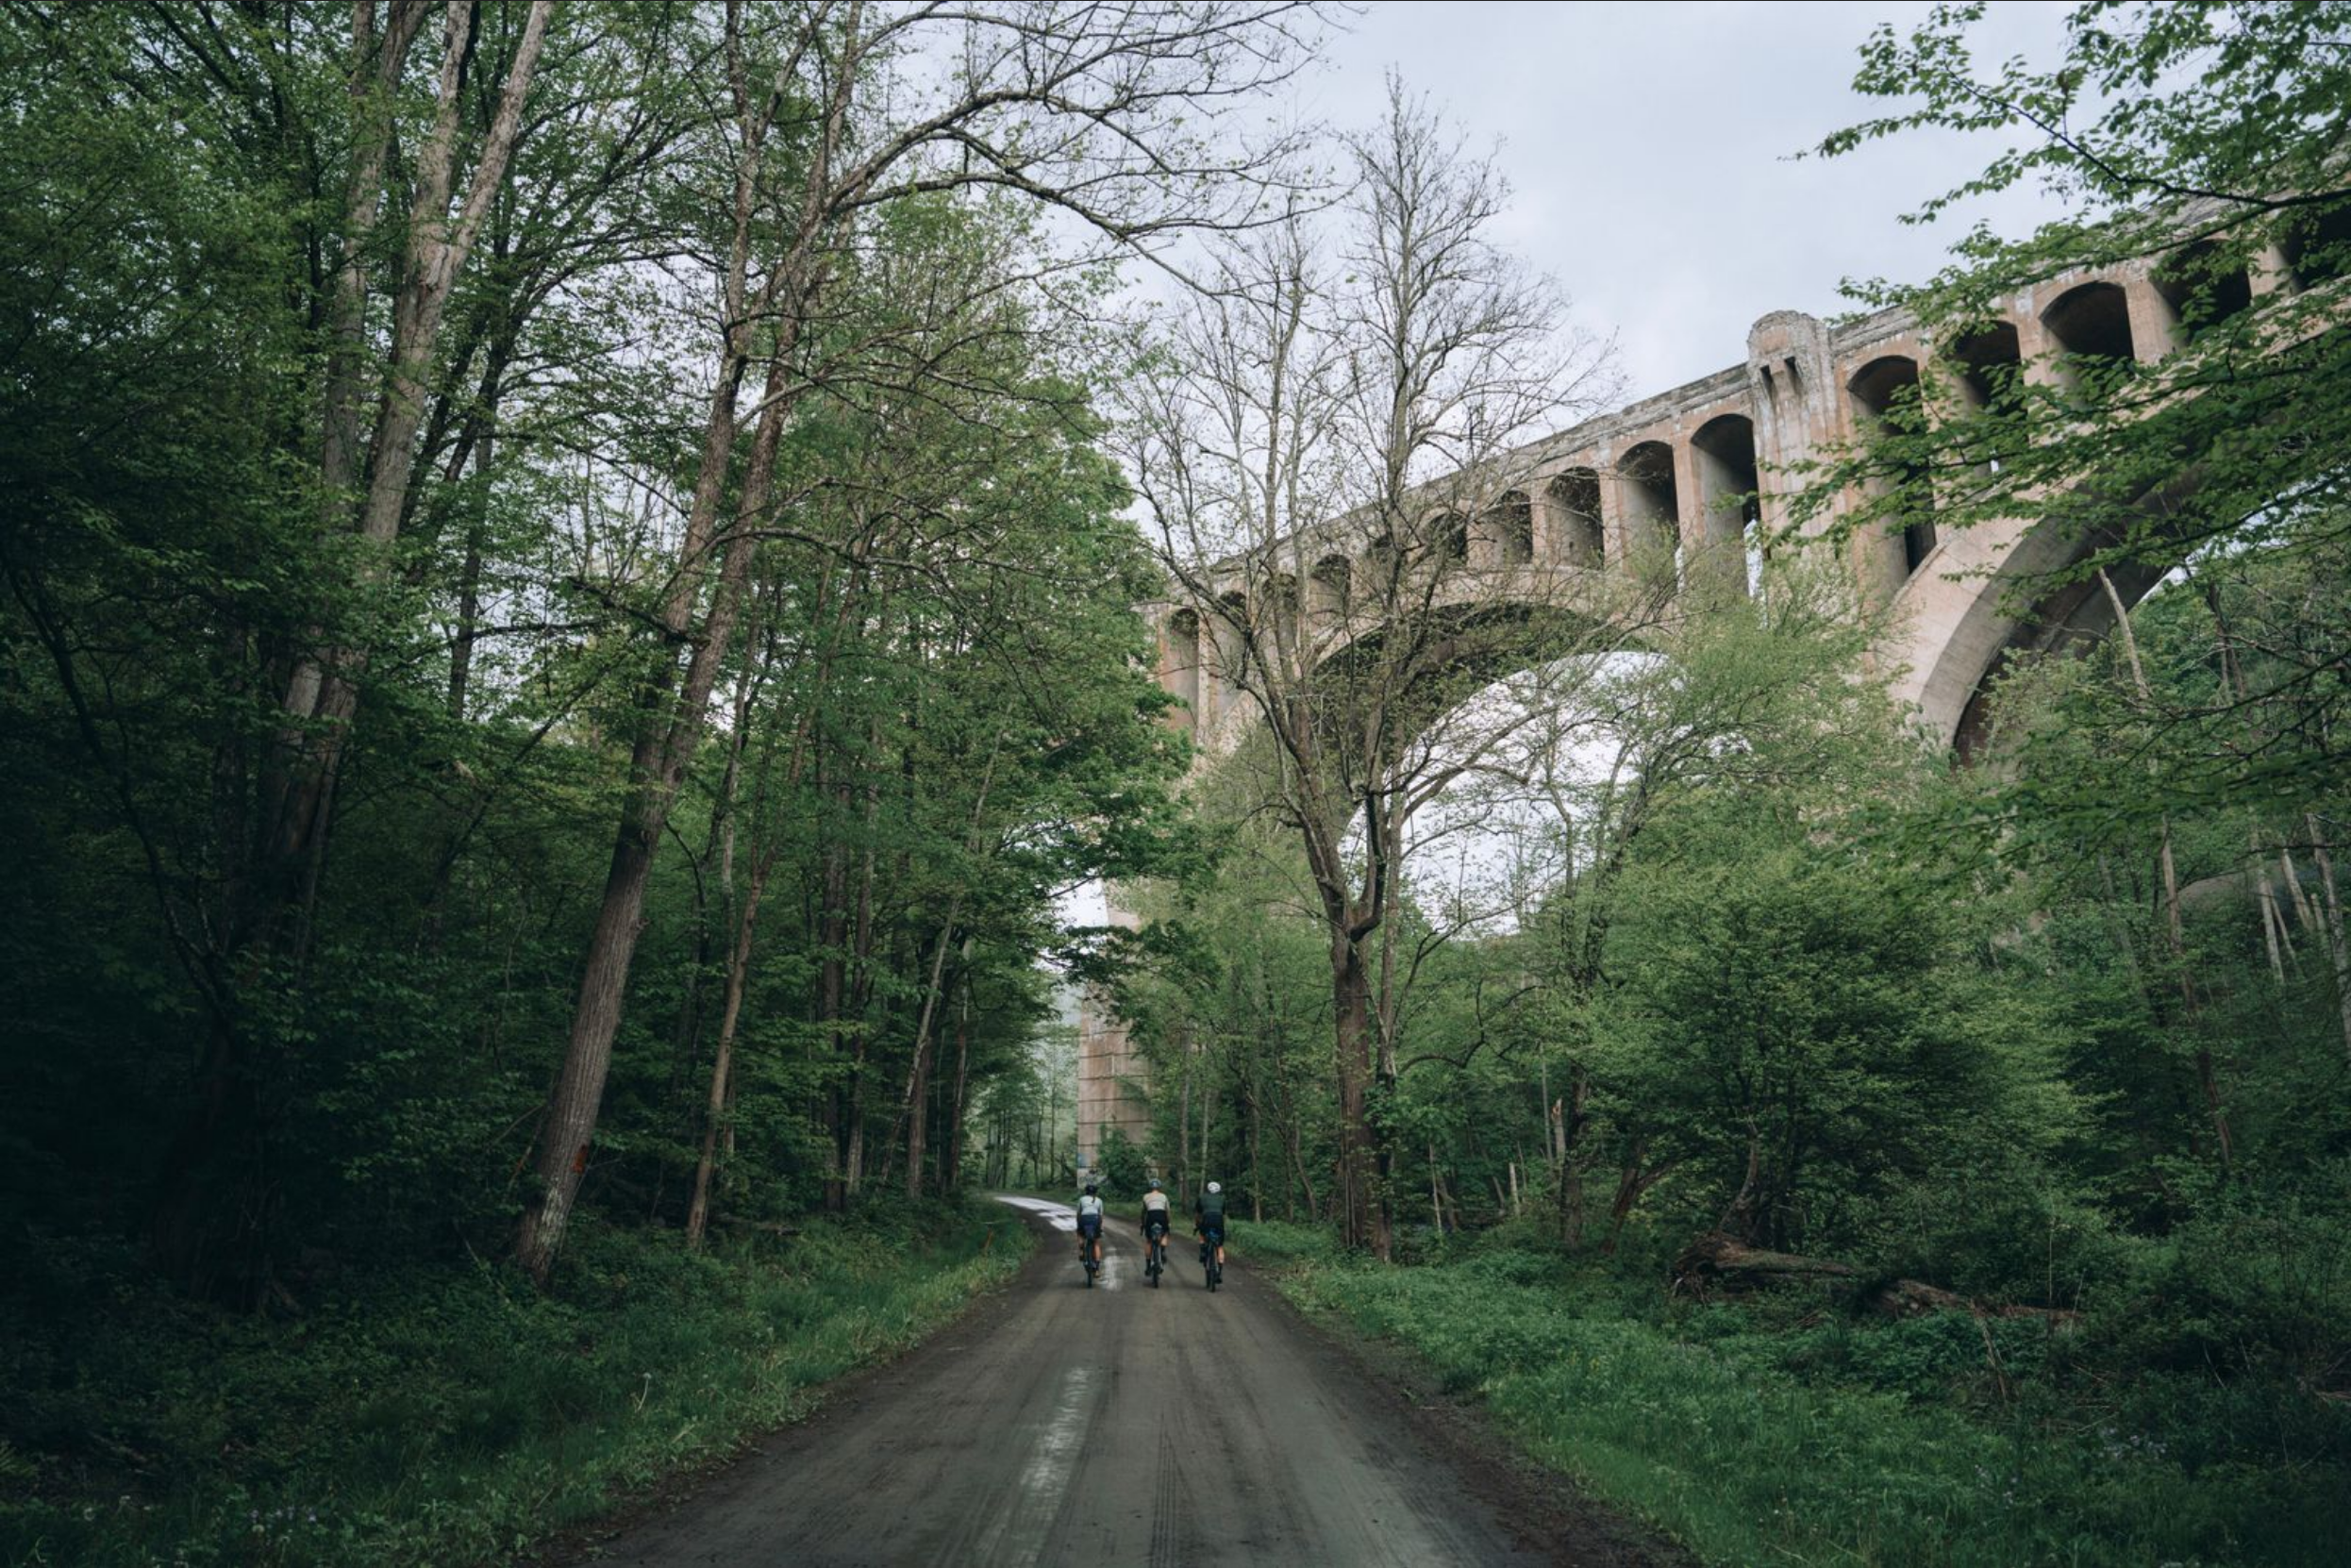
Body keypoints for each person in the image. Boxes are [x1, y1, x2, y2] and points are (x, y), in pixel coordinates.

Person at [1193, 1179, 1226, 1275]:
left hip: (1206, 1219)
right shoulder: (1222, 1198)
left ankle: (1203, 1251)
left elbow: (1198, 1213)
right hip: (1219, 1220)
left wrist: (1197, 1224)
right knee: (1220, 1246)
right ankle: (1219, 1272)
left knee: (1202, 1234)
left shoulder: (1202, 1197)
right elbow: (1223, 1214)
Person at [1139, 1178, 1171, 1272]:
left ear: (1150, 1187)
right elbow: (1167, 1211)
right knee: (1164, 1234)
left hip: (1151, 1217)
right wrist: (1168, 1223)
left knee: (1149, 1241)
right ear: (1159, 1187)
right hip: (1162, 1216)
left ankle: (1148, 1265)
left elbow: (1143, 1212)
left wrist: (1142, 1223)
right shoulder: (1164, 1196)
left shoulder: (1145, 1196)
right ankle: (1162, 1250)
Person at [1075, 1180, 1105, 1274]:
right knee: (1096, 1242)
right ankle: (1096, 1269)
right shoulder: (1099, 1200)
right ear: (1095, 1191)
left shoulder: (1081, 1199)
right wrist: (1100, 1227)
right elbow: (1100, 1216)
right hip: (1095, 1219)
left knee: (1080, 1233)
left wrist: (1079, 1224)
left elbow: (1079, 1213)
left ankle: (1081, 1249)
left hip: (1084, 1219)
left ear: (1086, 1191)